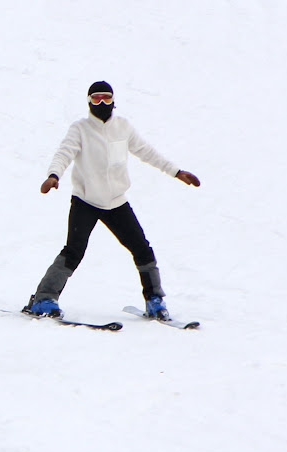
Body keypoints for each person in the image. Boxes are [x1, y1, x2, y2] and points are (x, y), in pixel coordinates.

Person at [25, 81, 200, 321]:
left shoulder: (123, 127)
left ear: (114, 101)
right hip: (85, 201)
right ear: (89, 102)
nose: (102, 104)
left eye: (107, 98)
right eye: (96, 99)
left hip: (116, 202)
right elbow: (64, 153)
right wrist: (53, 175)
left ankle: (154, 300)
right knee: (73, 251)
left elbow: (146, 151)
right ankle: (44, 298)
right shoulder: (80, 129)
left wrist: (176, 171)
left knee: (141, 248)